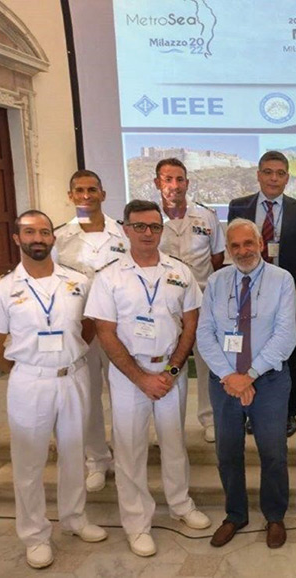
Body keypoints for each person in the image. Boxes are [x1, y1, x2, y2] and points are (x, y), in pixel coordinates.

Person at [0, 210, 107, 569]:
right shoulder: (1, 290)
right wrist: (26, 369)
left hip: (73, 377)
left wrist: (68, 357)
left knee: (74, 453)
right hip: (30, 383)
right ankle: (35, 535)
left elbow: (88, 328)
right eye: (30, 232)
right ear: (17, 239)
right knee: (29, 462)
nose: (38, 238)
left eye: (44, 232)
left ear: (53, 237)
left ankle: (75, 518)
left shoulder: (78, 281)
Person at [85, 200, 210, 557]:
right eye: (139, 226)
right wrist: (142, 378)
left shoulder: (179, 271)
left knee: (174, 442)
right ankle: (137, 523)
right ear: (126, 229)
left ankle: (181, 504)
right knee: (130, 449)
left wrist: (171, 371)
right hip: (129, 375)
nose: (147, 233)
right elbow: (105, 333)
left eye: (154, 226)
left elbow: (191, 324)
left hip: (170, 372)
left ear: (161, 230)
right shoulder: (109, 277)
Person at [196, 218, 296, 548]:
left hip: (267, 380)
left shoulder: (282, 280)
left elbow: (285, 336)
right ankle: (235, 514)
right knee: (227, 452)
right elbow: (204, 334)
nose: (242, 251)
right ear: (227, 249)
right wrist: (230, 377)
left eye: (248, 243)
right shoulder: (216, 281)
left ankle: (275, 515)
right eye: (235, 246)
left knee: (273, 451)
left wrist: (248, 376)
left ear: (261, 244)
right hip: (224, 382)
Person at [228, 151, 296, 436]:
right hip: (247, 290)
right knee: (248, 350)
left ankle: (288, 412)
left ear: (287, 178)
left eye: (280, 173)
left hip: (285, 291)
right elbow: (233, 248)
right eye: (268, 172)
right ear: (258, 175)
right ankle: (249, 409)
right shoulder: (238, 206)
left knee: (287, 353)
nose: (273, 178)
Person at [52, 169, 127, 492]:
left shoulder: (123, 234)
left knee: (124, 395)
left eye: (92, 189)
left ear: (103, 194)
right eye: (79, 190)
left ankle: (125, 458)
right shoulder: (59, 238)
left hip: (119, 328)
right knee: (88, 397)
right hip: (79, 329)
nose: (86, 195)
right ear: (70, 195)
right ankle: (97, 460)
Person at [155, 158, 226, 443]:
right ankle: (170, 422)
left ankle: (209, 419)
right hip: (163, 304)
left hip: (201, 302)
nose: (174, 185)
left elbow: (217, 258)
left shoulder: (206, 216)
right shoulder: (151, 220)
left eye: (179, 179)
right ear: (157, 183)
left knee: (207, 360)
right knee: (169, 361)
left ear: (187, 182)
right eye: (167, 179)